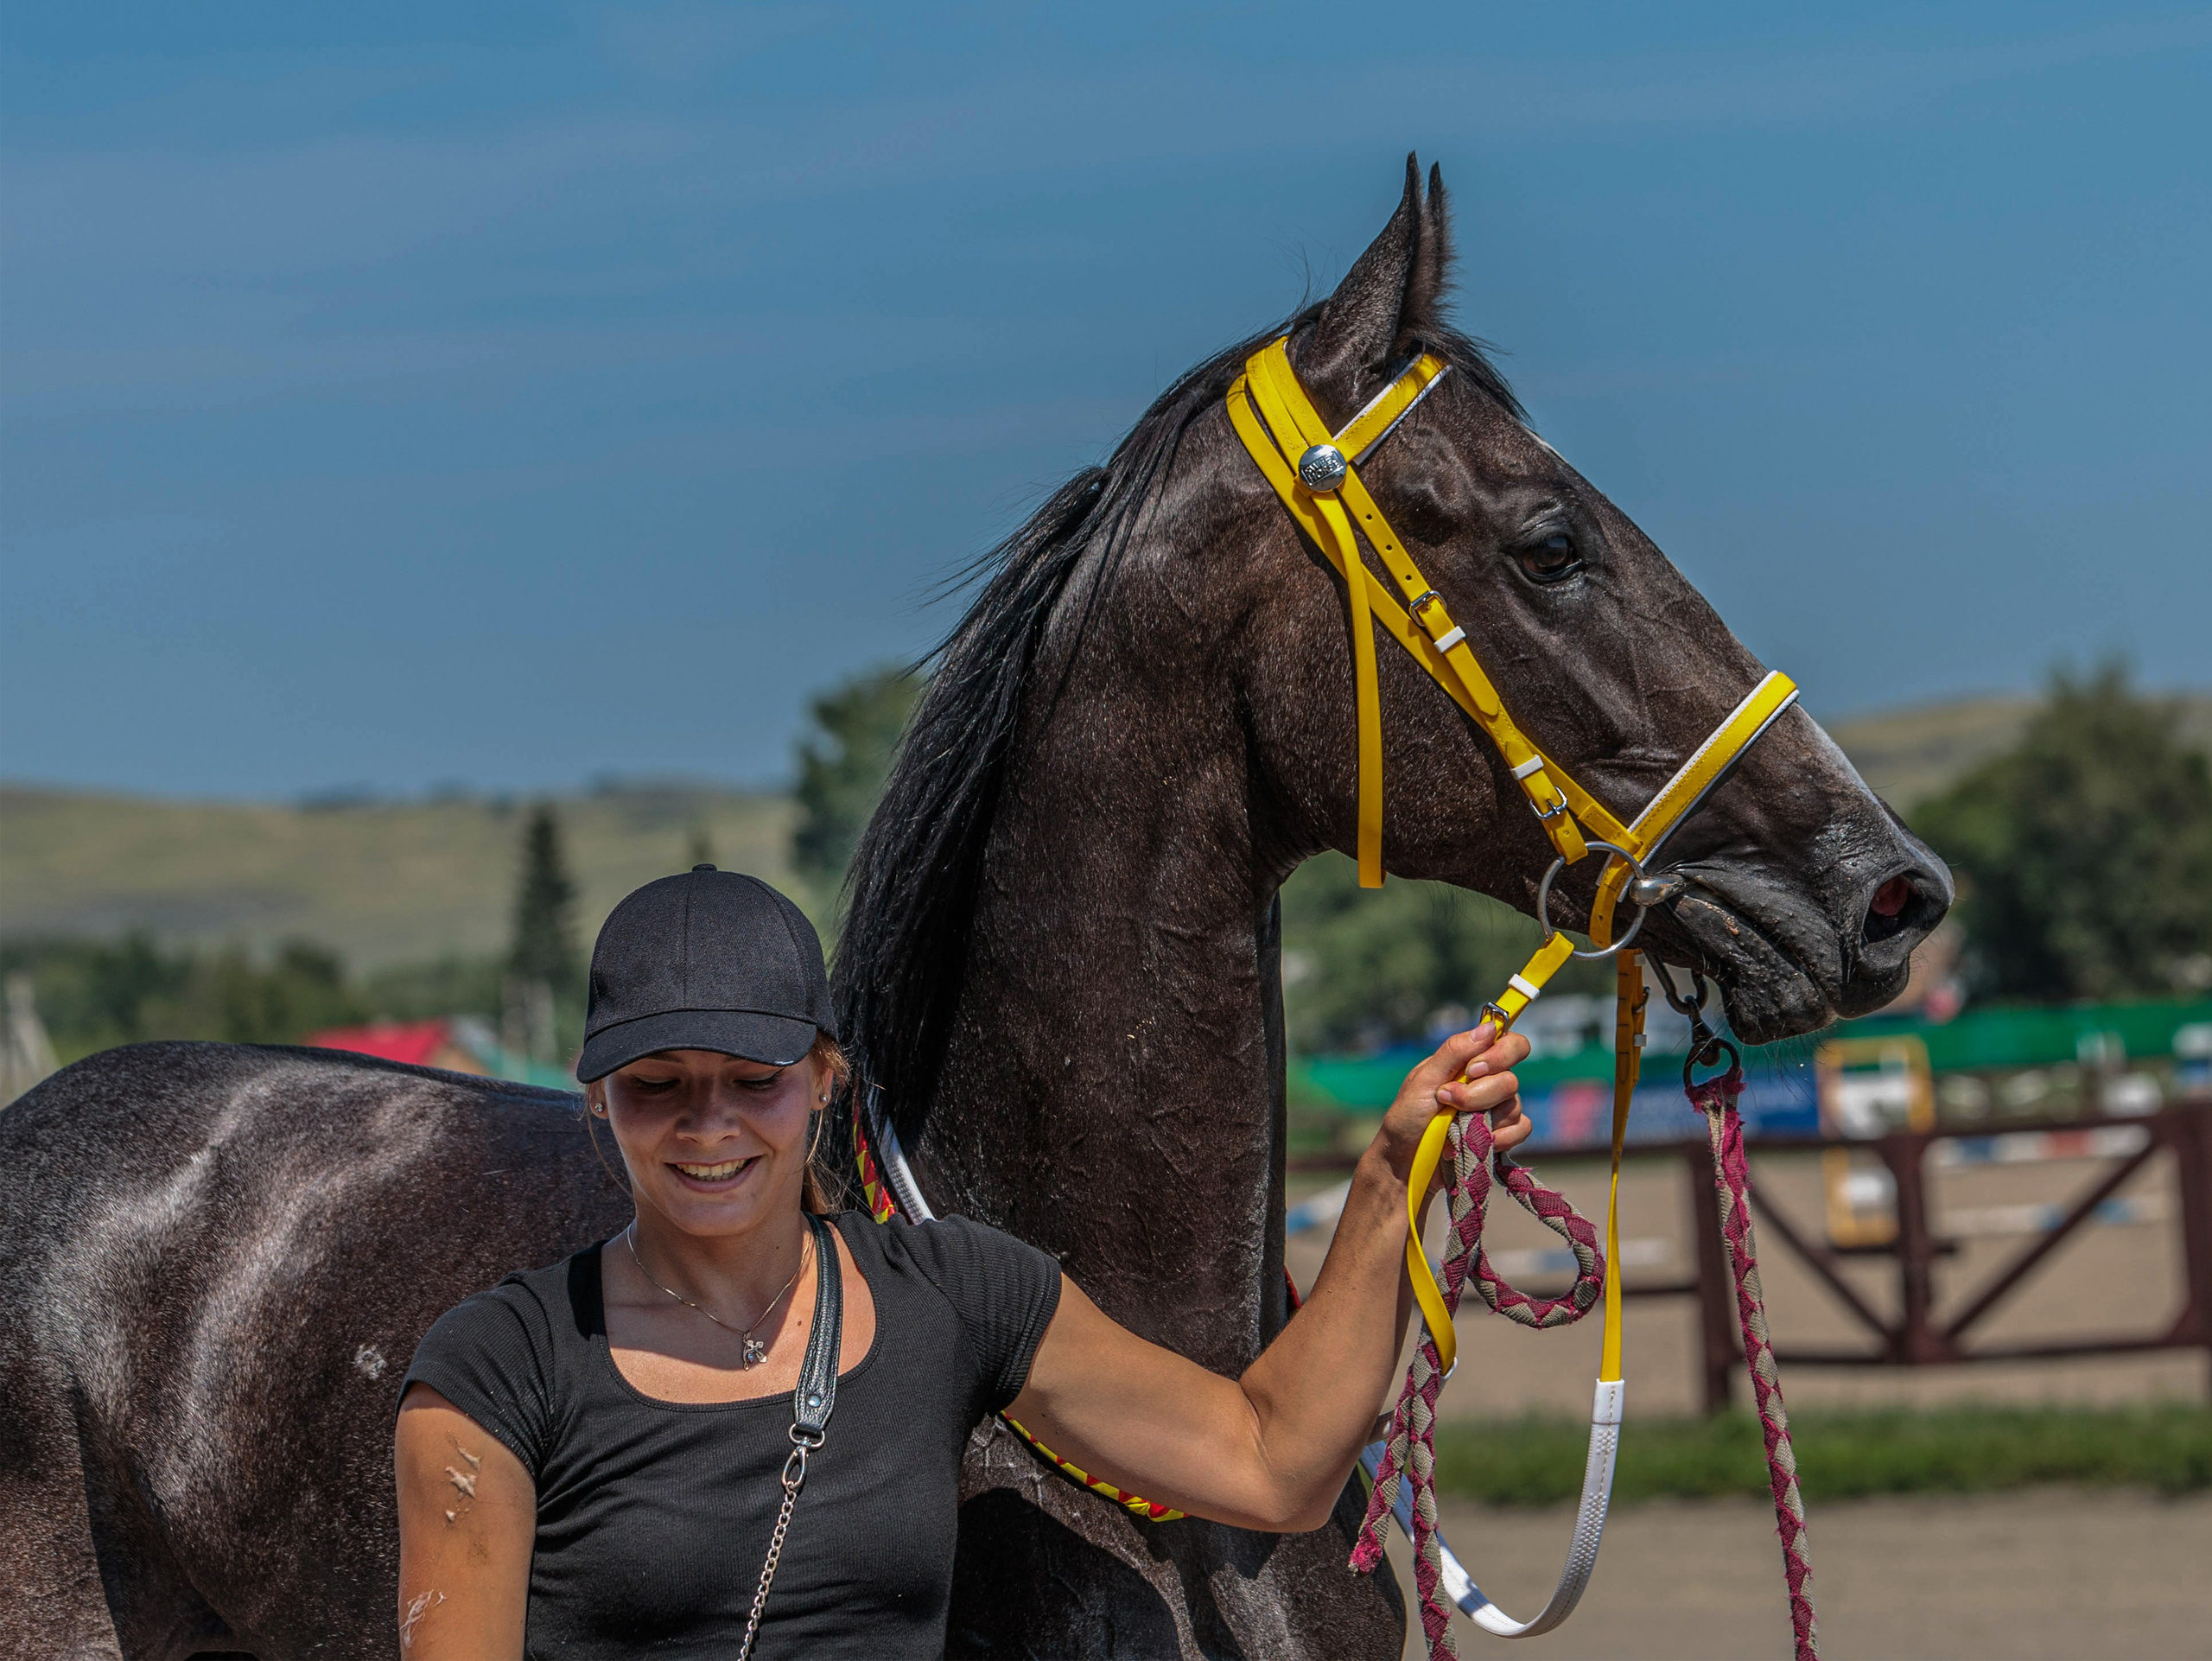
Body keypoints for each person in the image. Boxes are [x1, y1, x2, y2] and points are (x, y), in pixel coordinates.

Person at [394, 865, 1530, 1658]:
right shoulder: (497, 1370)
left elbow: (1272, 1462)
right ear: (598, 1098)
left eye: (755, 1078)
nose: (709, 1123)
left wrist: (1391, 1177)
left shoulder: (955, 1294)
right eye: (658, 1084)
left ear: (825, 1077)